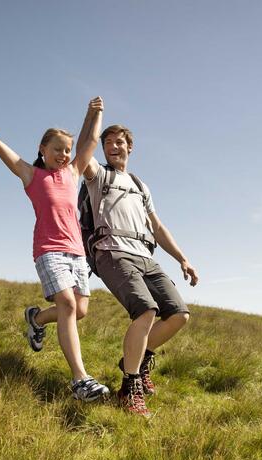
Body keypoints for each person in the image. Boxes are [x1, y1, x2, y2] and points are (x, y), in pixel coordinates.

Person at [0, 97, 110, 402]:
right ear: (42, 149)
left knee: (79, 310)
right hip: (49, 250)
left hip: (77, 252)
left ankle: (36, 319)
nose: (63, 154)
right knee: (69, 306)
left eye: (67, 150)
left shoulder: (72, 173)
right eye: (57, 148)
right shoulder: (31, 175)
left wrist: (93, 113)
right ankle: (80, 380)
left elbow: (91, 139)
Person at [82, 124, 199, 416]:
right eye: (107, 142)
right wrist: (95, 119)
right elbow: (84, 151)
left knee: (178, 314)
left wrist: (182, 258)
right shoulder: (98, 175)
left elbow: (157, 227)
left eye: (119, 142)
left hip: (145, 255)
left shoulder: (139, 184)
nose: (113, 147)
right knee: (146, 310)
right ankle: (130, 387)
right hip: (111, 252)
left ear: (129, 147)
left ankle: (136, 359)